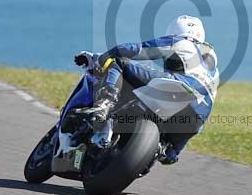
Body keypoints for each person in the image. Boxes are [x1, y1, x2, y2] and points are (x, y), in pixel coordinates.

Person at [74, 15, 219, 164]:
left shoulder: (178, 42)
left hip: (177, 88)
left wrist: (101, 58)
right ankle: (169, 151)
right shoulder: (213, 62)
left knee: (119, 62)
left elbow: (134, 50)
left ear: (175, 31)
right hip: (197, 117)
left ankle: (104, 104)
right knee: (169, 152)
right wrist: (176, 148)